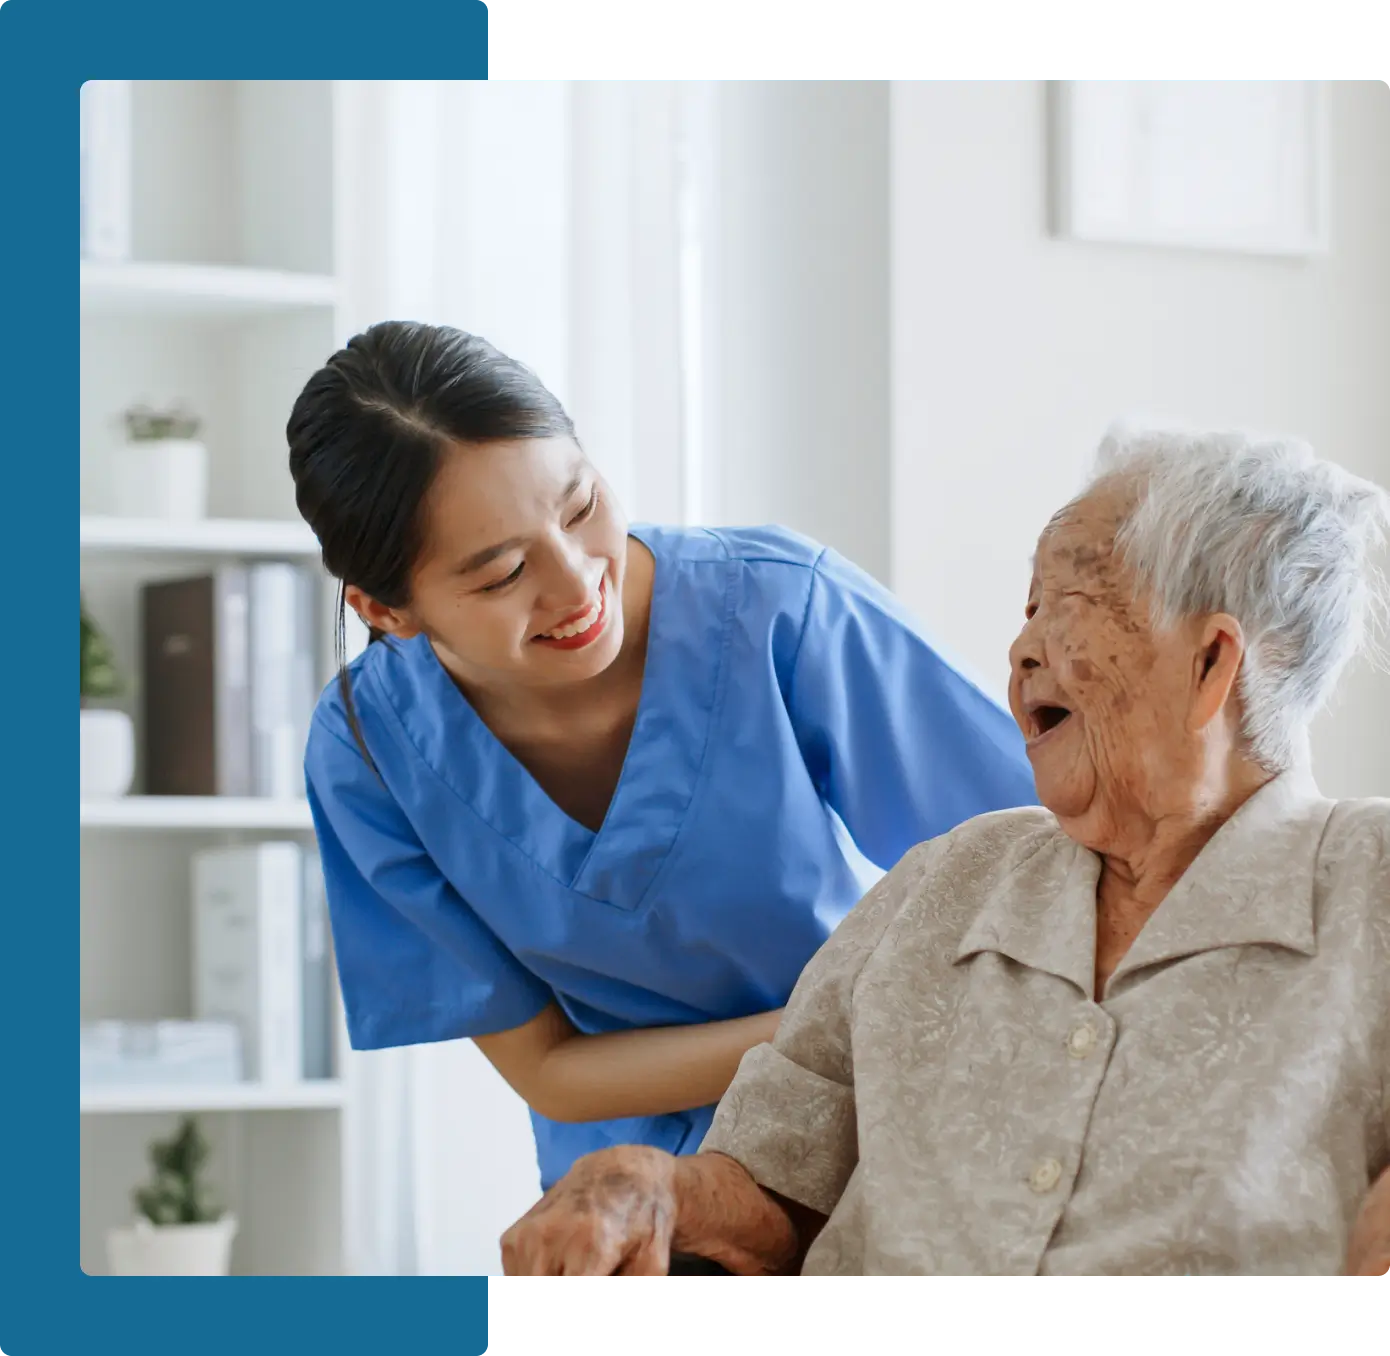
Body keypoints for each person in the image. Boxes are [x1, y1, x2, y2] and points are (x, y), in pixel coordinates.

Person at [499, 424, 1390, 1301]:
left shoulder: (1369, 886)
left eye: (1070, 605)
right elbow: (772, 1196)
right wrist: (654, 1186)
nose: (1022, 649)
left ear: (1209, 662)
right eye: (1027, 607)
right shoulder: (949, 881)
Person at [287, 321, 1038, 1243]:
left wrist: (860, 1045)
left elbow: (1036, 858)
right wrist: (845, 1026)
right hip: (631, 1212)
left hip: (874, 1136)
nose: (576, 584)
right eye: (504, 574)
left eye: (579, 506)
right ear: (384, 609)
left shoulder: (777, 607)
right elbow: (549, 1069)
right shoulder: (367, 750)